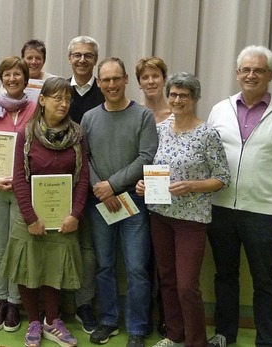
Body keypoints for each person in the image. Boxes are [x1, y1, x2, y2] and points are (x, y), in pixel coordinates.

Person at [206, 45, 272, 347]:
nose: (252, 75)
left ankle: (267, 340)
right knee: (225, 276)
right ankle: (225, 334)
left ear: (270, 75)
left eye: (259, 70)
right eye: (246, 70)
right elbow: (205, 156)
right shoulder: (219, 109)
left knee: (265, 281)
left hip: (263, 213)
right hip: (220, 209)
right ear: (237, 74)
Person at [135, 73, 230, 347]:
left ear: (195, 99)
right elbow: (153, 168)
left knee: (187, 286)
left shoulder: (207, 133)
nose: (177, 100)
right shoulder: (161, 129)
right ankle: (174, 335)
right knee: (166, 279)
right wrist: (144, 184)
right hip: (160, 216)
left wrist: (193, 186)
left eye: (183, 96)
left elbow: (222, 178)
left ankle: (196, 342)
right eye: (173, 94)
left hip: (192, 220)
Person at [0, 76, 88, 347]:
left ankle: (52, 321)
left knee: (54, 268)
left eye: (68, 99)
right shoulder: (25, 134)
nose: (63, 103)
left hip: (63, 217)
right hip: (30, 217)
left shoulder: (78, 134)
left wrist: (75, 214)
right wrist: (30, 218)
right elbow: (19, 177)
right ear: (44, 100)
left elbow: (83, 177)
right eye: (58, 98)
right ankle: (35, 322)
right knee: (29, 268)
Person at [82, 57, 158, 347]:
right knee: (104, 265)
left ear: (127, 79)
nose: (111, 85)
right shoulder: (89, 118)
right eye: (106, 80)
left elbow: (146, 157)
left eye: (117, 78)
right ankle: (109, 321)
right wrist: (103, 190)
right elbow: (84, 159)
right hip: (100, 204)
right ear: (99, 83)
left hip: (133, 204)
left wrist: (112, 185)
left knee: (137, 268)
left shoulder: (143, 116)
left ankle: (137, 328)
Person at [0, 56, 36, 333]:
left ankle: (15, 302)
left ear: (26, 79)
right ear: (2, 78)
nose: (12, 79)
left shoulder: (36, 109)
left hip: (23, 190)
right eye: (7, 74)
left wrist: (21, 181)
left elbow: (37, 150)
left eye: (17, 74)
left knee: (17, 248)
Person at [66, 35, 103, 334]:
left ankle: (84, 304)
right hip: (56, 183)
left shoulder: (106, 92)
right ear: (69, 59)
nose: (82, 60)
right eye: (76, 55)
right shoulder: (57, 91)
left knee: (88, 249)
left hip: (92, 184)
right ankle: (51, 306)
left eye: (88, 56)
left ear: (95, 60)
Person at [135, 55, 171, 338]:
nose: (150, 81)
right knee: (141, 262)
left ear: (163, 79)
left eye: (155, 76)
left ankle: (166, 317)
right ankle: (143, 317)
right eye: (145, 77)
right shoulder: (134, 113)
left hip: (169, 198)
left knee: (165, 263)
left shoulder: (178, 112)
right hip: (137, 196)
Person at [136, 57, 172, 124]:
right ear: (139, 83)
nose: (151, 82)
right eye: (145, 77)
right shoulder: (134, 115)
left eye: (155, 76)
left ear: (164, 80)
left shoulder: (177, 114)